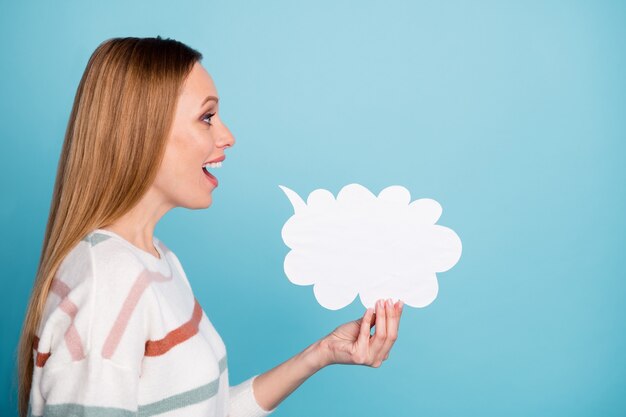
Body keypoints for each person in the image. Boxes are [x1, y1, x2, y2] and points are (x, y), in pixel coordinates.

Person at [16, 36, 404, 417]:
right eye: (207, 117)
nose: (227, 136)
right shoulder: (109, 282)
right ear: (142, 132)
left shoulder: (157, 260)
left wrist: (320, 354)